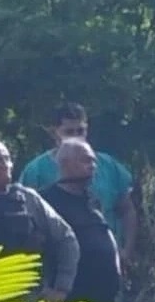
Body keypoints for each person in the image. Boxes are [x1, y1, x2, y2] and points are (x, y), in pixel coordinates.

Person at [19, 102, 138, 264]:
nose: (76, 136)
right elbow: (27, 220)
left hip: (106, 258)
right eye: (69, 132)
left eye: (81, 131)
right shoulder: (36, 170)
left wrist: (126, 251)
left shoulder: (108, 165)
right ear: (54, 133)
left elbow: (127, 209)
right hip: (60, 261)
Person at [39, 140, 122, 302]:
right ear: (65, 163)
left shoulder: (91, 199)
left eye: (93, 161)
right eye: (86, 161)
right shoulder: (45, 201)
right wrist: (46, 290)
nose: (92, 166)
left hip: (105, 301)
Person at [0, 138, 80, 302]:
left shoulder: (28, 199)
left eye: (7, 158)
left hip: (27, 300)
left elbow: (66, 239)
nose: (4, 165)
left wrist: (61, 288)